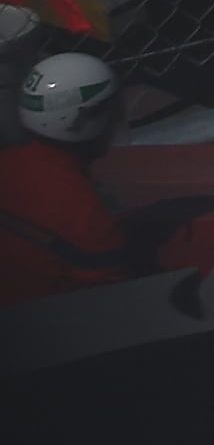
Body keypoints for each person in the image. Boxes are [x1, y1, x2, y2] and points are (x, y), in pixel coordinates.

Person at [0, 47, 148, 305]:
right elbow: (113, 309)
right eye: (110, 111)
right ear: (81, 119)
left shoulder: (9, 165)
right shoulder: (91, 222)